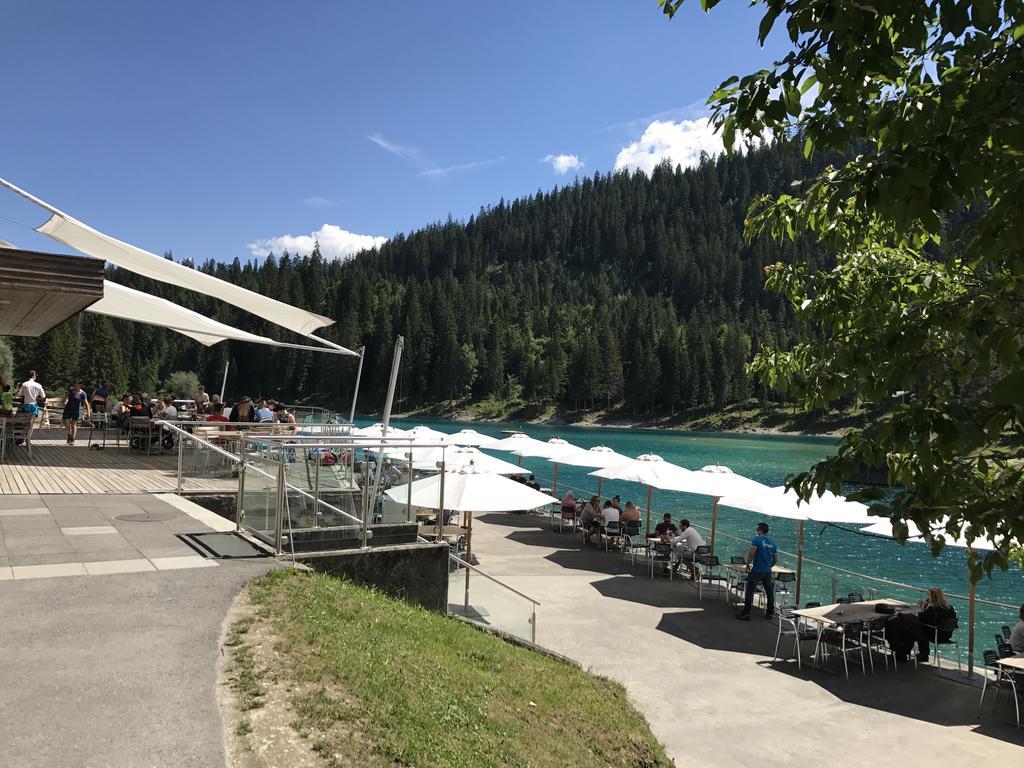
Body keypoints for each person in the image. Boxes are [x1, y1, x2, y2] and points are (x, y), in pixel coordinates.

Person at [885, 587, 958, 663]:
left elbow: (921, 620)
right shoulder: (950, 608)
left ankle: (901, 655)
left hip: (935, 634)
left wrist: (923, 607)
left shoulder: (933, 609)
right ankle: (922, 655)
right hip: (947, 634)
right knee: (912, 629)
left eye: (928, 595)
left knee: (909, 632)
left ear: (932, 597)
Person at [736, 522, 777, 620]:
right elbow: (775, 559)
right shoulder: (773, 543)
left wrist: (747, 564)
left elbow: (752, 553)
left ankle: (746, 613)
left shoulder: (756, 540)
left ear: (760, 530)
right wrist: (769, 565)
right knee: (769, 592)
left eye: (757, 529)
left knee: (749, 591)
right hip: (767, 571)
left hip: (757, 569)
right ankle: (770, 613)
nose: (757, 531)